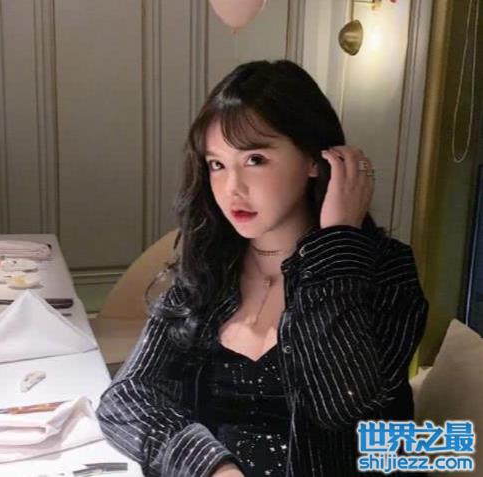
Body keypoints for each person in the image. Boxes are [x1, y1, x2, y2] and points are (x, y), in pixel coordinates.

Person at [95, 59, 429, 477]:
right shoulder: (212, 266)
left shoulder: (386, 271)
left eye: (254, 159)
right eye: (217, 164)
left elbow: (340, 404)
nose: (232, 188)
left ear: (314, 159)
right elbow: (125, 398)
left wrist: (336, 244)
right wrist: (210, 466)